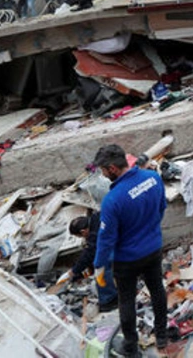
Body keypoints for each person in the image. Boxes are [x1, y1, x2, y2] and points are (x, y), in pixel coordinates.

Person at [92, 144, 168, 356]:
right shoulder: (153, 178)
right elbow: (162, 208)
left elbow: (106, 238)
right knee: (157, 290)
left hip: (127, 259)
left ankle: (131, 348)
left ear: (113, 169)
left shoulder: (113, 200)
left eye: (104, 170)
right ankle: (162, 336)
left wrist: (99, 264)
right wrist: (150, 232)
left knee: (126, 301)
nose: (103, 174)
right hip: (153, 249)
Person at [60, 213, 118, 312]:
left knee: (101, 267)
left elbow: (89, 254)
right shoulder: (96, 217)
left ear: (83, 231)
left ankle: (108, 301)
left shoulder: (95, 234)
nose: (83, 239)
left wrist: (73, 271)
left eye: (81, 236)